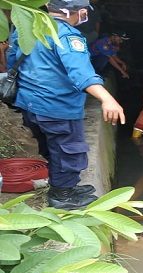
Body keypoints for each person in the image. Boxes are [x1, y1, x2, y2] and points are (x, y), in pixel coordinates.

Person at [7, 0, 125, 210]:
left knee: (52, 148)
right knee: (69, 152)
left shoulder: (28, 28)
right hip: (58, 107)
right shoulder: (68, 36)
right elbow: (81, 73)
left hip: (30, 104)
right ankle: (62, 196)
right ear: (77, 12)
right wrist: (107, 98)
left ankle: (65, 187)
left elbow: (12, 60)